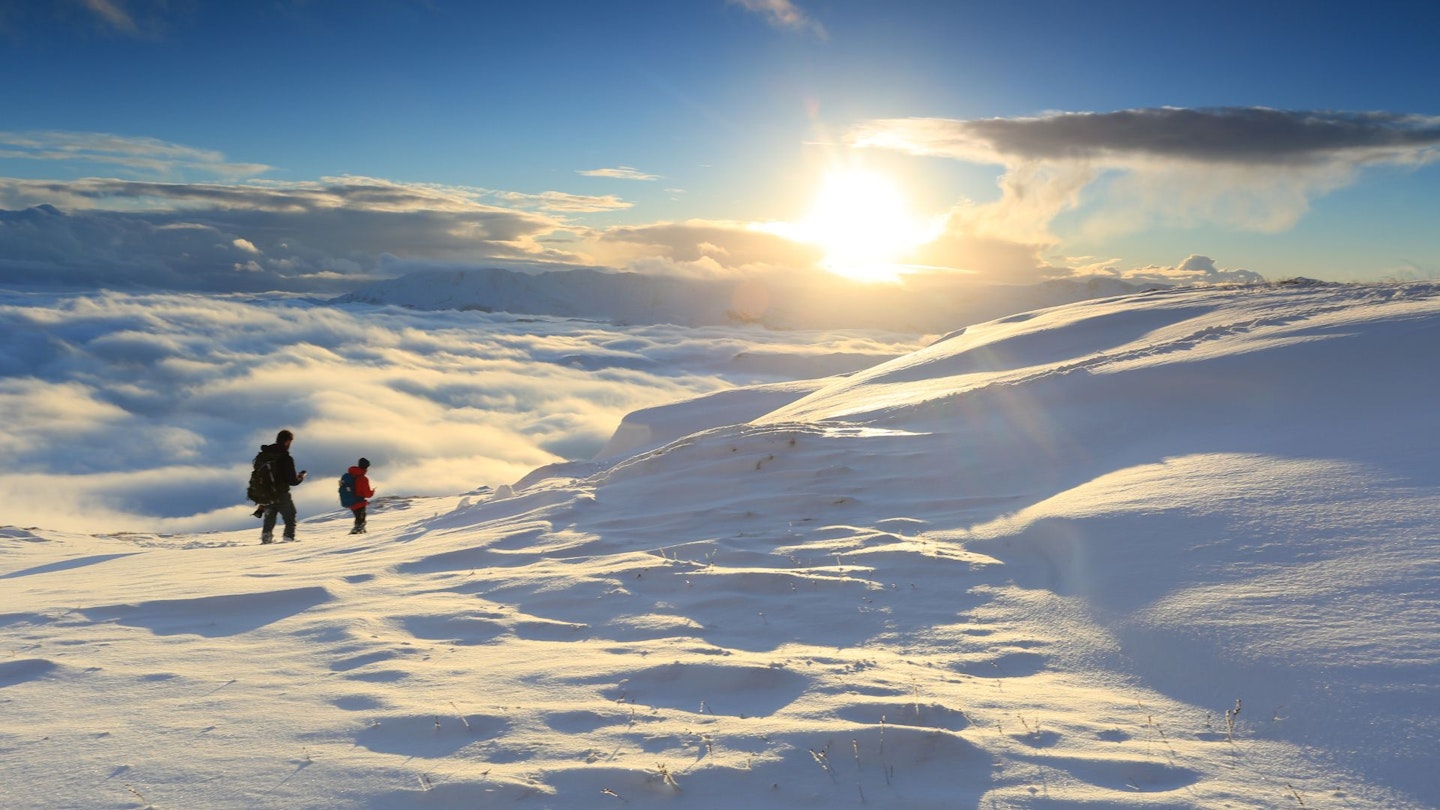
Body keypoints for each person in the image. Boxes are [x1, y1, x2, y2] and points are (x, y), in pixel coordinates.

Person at [258, 429, 307, 544]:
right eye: (290, 442)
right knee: (290, 516)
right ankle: (288, 540)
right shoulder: (285, 458)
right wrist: (300, 477)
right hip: (281, 493)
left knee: (269, 517)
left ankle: (266, 539)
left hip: (266, 493)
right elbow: (292, 481)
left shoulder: (264, 455)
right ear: (287, 441)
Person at [344, 457, 376, 534]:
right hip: (359, 502)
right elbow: (367, 494)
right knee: (360, 522)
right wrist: (372, 492)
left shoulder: (351, 475)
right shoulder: (362, 478)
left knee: (358, 520)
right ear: (366, 467)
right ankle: (357, 536)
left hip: (351, 502)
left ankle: (358, 533)